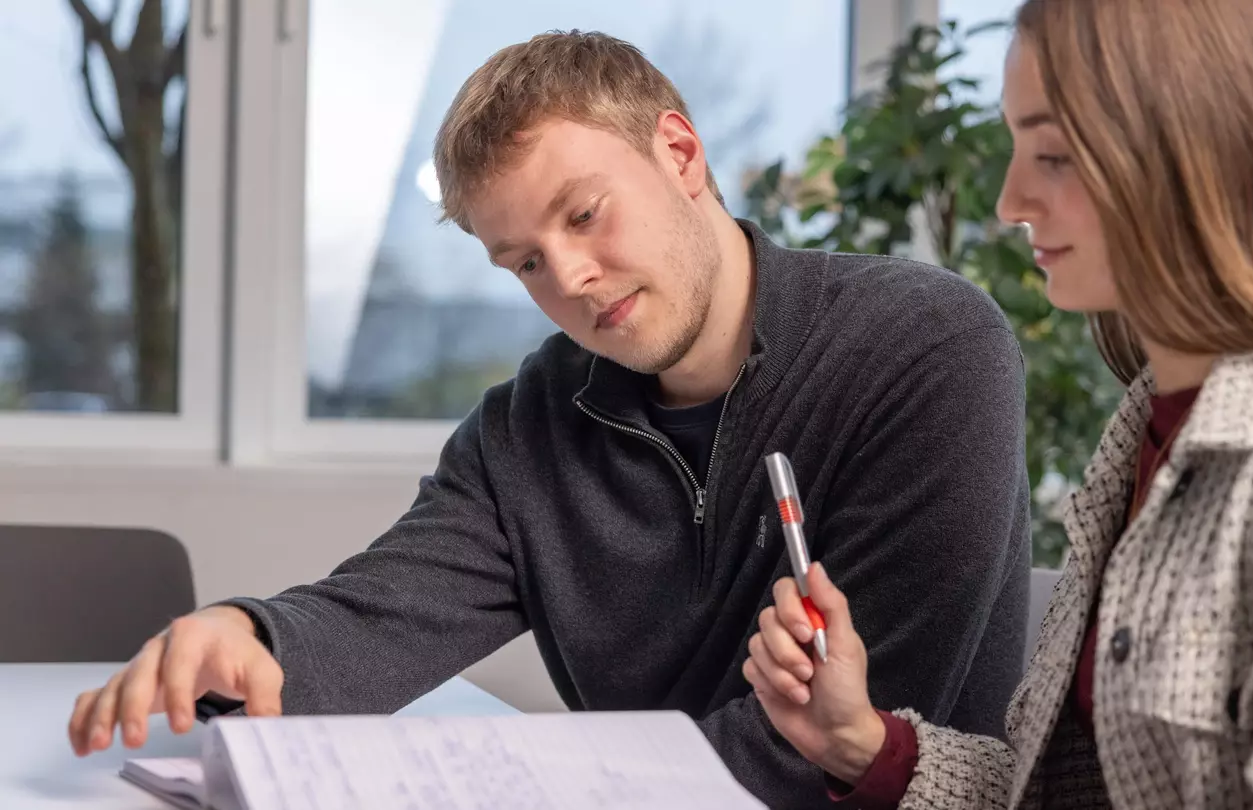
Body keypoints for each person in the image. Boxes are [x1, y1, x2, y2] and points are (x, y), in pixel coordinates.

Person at [67, 29, 1033, 807]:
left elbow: (858, 737)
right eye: (524, 261)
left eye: (582, 215)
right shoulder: (527, 428)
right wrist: (252, 637)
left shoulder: (923, 348)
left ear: (680, 154)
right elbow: (386, 614)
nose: (567, 278)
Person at [742, 0, 1253, 807]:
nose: (1010, 202)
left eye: (1055, 155)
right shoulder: (1151, 426)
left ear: (1200, 151)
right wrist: (864, 747)